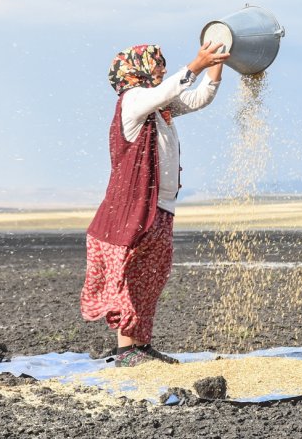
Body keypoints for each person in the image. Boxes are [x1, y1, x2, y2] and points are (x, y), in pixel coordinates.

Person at [80, 41, 230, 367]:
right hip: (130, 212)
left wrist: (216, 63)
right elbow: (164, 91)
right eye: (157, 64)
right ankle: (125, 351)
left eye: (163, 64)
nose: (161, 69)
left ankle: (142, 347)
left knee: (153, 275)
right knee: (131, 276)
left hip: (159, 207)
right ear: (138, 68)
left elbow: (199, 98)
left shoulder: (160, 111)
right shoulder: (133, 101)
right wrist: (196, 63)